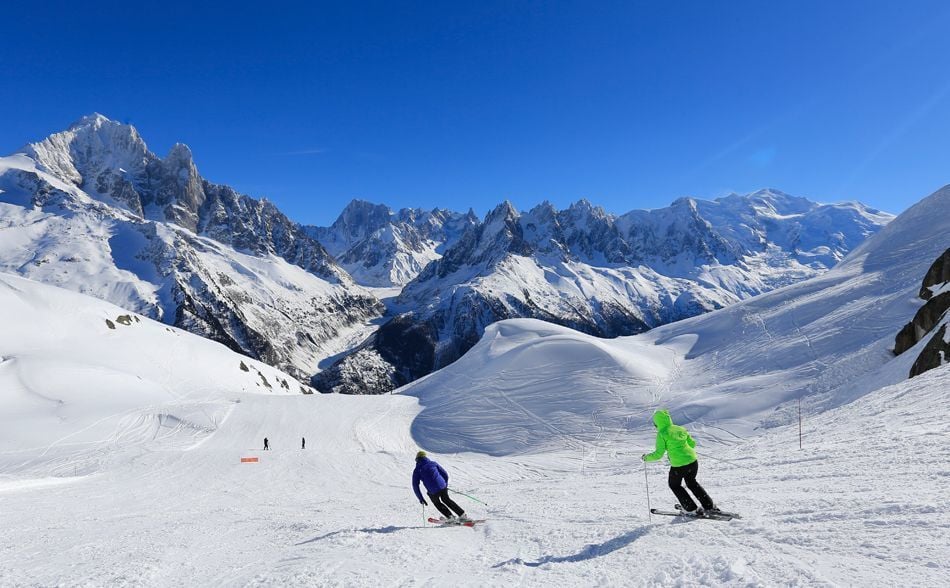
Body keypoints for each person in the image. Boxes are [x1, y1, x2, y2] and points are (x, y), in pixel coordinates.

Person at [642, 409, 719, 515]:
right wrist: (682, 448)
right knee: (691, 482)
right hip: (693, 461)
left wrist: (646, 458)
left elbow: (658, 454)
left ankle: (691, 508)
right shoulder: (680, 428)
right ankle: (709, 505)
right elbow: (692, 444)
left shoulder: (662, 433)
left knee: (674, 485)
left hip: (679, 465)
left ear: (657, 422)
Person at [412, 451, 468, 522]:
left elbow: (415, 486)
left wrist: (421, 499)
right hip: (442, 486)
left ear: (417, 459)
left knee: (437, 503)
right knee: (447, 500)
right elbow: (445, 474)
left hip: (432, 491)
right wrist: (445, 485)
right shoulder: (433, 463)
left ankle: (450, 517)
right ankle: (462, 515)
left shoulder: (417, 470)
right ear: (425, 457)